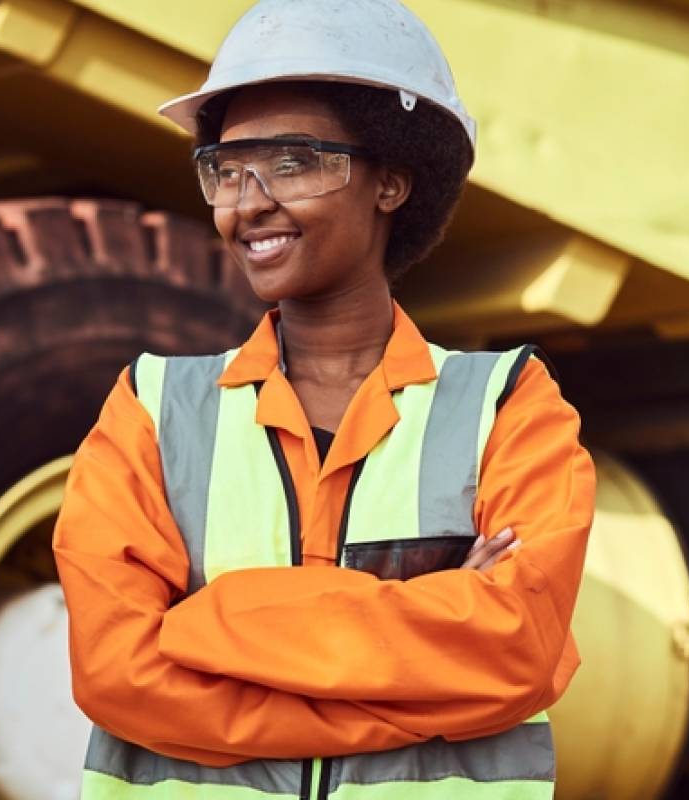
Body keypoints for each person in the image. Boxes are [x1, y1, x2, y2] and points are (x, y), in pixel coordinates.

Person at [51, 1, 596, 797]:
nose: (248, 202)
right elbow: (115, 670)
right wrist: (426, 656)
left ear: (393, 181)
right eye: (226, 170)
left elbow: (518, 645)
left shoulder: (506, 406)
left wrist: (210, 617)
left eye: (293, 162)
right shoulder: (150, 409)